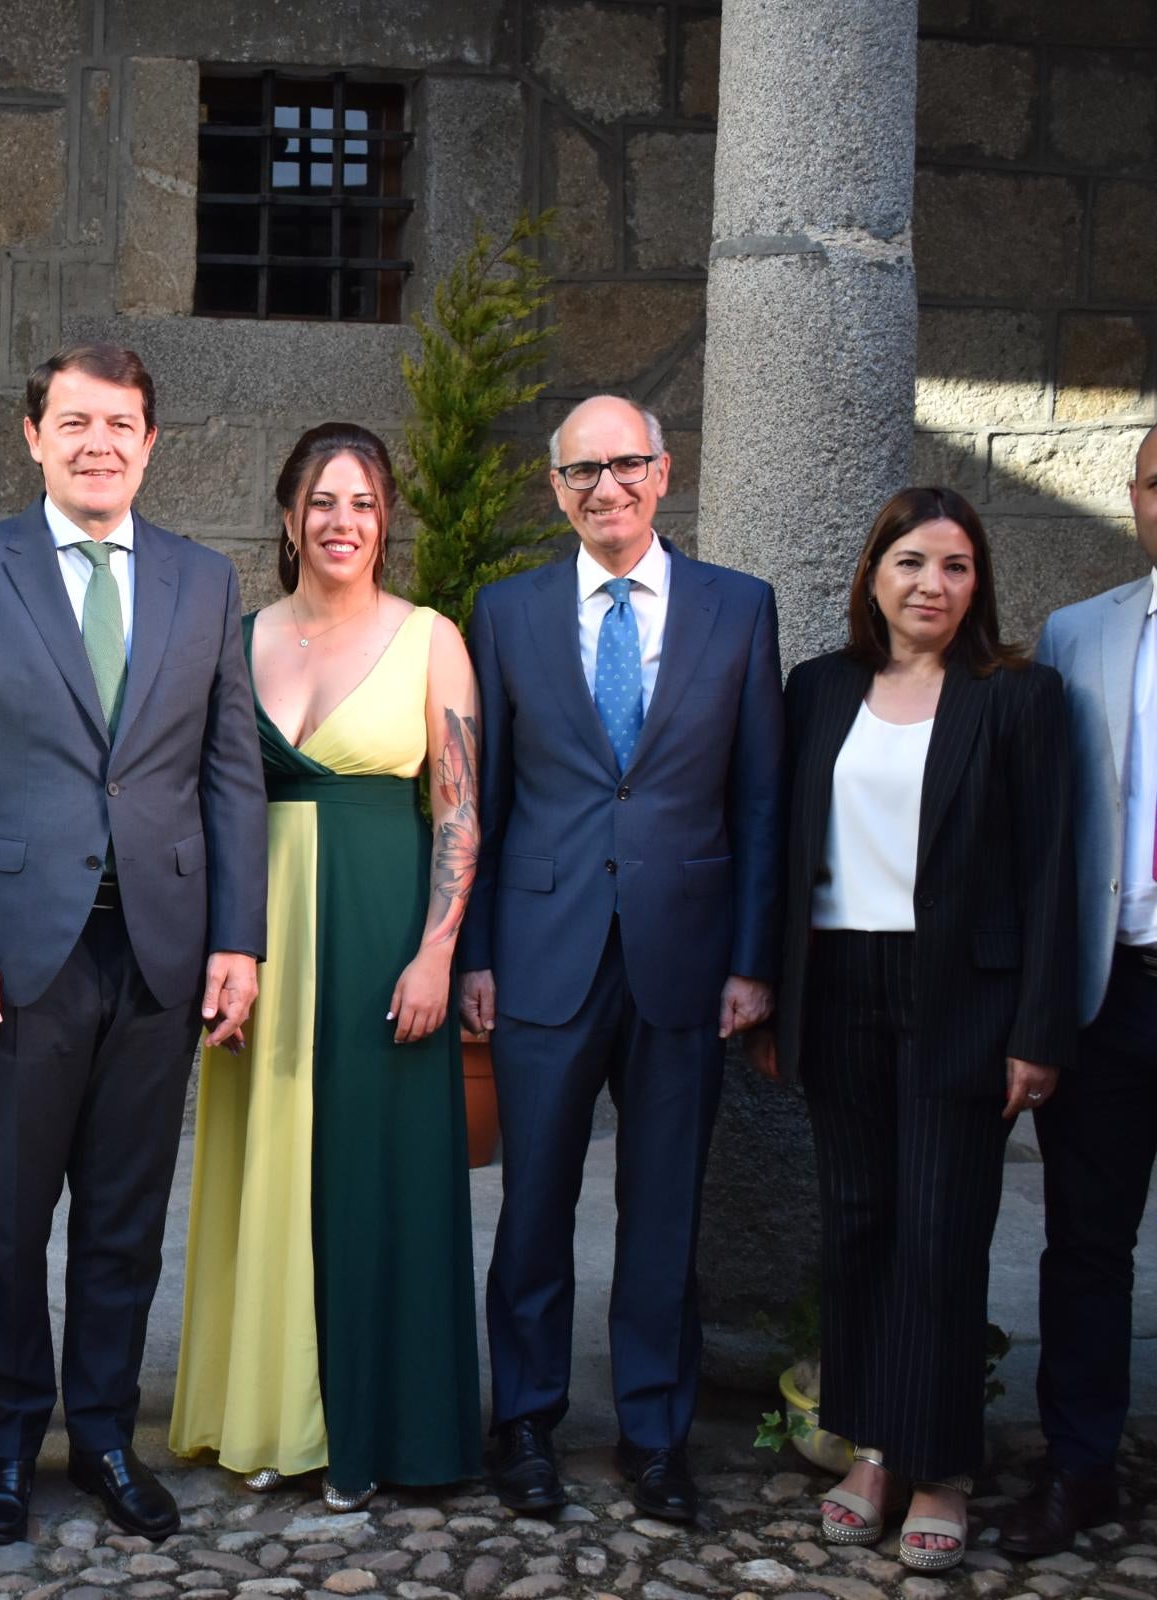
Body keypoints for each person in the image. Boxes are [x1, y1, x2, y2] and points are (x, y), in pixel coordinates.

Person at [0, 343, 268, 1544]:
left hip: (161, 952)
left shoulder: (205, 582)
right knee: (7, 1217)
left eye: (120, 423)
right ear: (34, 436)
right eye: (75, 421)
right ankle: (6, 1449)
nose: (98, 441)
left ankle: (105, 1437)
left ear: (151, 443)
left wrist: (238, 940)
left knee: (124, 1217)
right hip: (15, 953)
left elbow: (229, 772)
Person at [460, 395, 782, 1524]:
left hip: (685, 960)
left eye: (627, 464)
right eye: (583, 471)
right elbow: (483, 805)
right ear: (555, 489)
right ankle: (527, 1424)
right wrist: (476, 952)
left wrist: (753, 959)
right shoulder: (506, 614)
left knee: (664, 1215)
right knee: (535, 1204)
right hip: (544, 957)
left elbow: (759, 801)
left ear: (665, 470)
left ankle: (655, 1437)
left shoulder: (740, 610)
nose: (607, 487)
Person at [749, 486, 1071, 1573]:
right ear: (874, 575)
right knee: (857, 1223)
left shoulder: (1018, 699)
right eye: (913, 563)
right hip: (838, 985)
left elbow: (1047, 875)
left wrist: (1039, 1029)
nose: (933, 585)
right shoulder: (820, 689)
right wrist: (773, 992)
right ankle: (873, 1446)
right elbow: (785, 852)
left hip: (963, 1000)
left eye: (956, 567)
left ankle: (942, 1469)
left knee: (940, 1232)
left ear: (977, 585)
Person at [170, 424, 482, 1508]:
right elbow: (215, 798)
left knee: (375, 1179)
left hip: (380, 936)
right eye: (321, 502)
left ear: (384, 518)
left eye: (361, 502)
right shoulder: (240, 634)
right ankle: (271, 1415)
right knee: (267, 1175)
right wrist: (221, 947)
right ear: (289, 517)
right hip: (258, 943)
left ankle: (377, 1428)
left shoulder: (430, 637)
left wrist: (437, 953)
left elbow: (458, 810)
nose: (342, 521)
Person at [997, 433, 1157, 1559]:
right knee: (1087, 1243)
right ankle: (1080, 1467)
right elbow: (1049, 842)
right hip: (1115, 991)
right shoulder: (1080, 633)